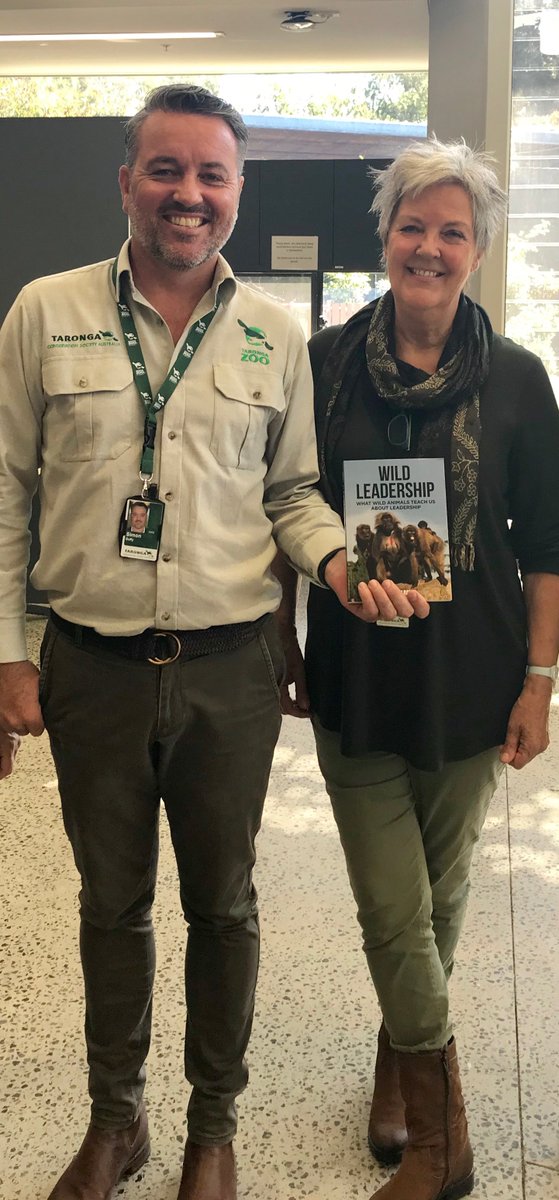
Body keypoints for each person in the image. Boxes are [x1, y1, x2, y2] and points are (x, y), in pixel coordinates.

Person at [0, 84, 425, 1200]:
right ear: (126, 181)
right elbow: (4, 494)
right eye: (166, 169)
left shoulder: (272, 334)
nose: (188, 194)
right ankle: (117, 1122)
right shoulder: (45, 311)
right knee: (109, 906)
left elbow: (291, 494)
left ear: (239, 190)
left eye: (211, 174)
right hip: (89, 665)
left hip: (230, 669)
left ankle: (213, 1129)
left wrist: (341, 567)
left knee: (224, 908)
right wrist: (5, 652)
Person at [274, 137, 559, 1200]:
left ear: (476, 251)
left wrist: (539, 682)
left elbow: (548, 546)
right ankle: (446, 1144)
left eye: (451, 231)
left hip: (475, 678)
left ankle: (400, 1071)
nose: (428, 247)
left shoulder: (519, 378)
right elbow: (287, 504)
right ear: (384, 237)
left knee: (437, 899)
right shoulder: (324, 364)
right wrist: (284, 634)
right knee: (392, 908)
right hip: (355, 675)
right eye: (411, 226)